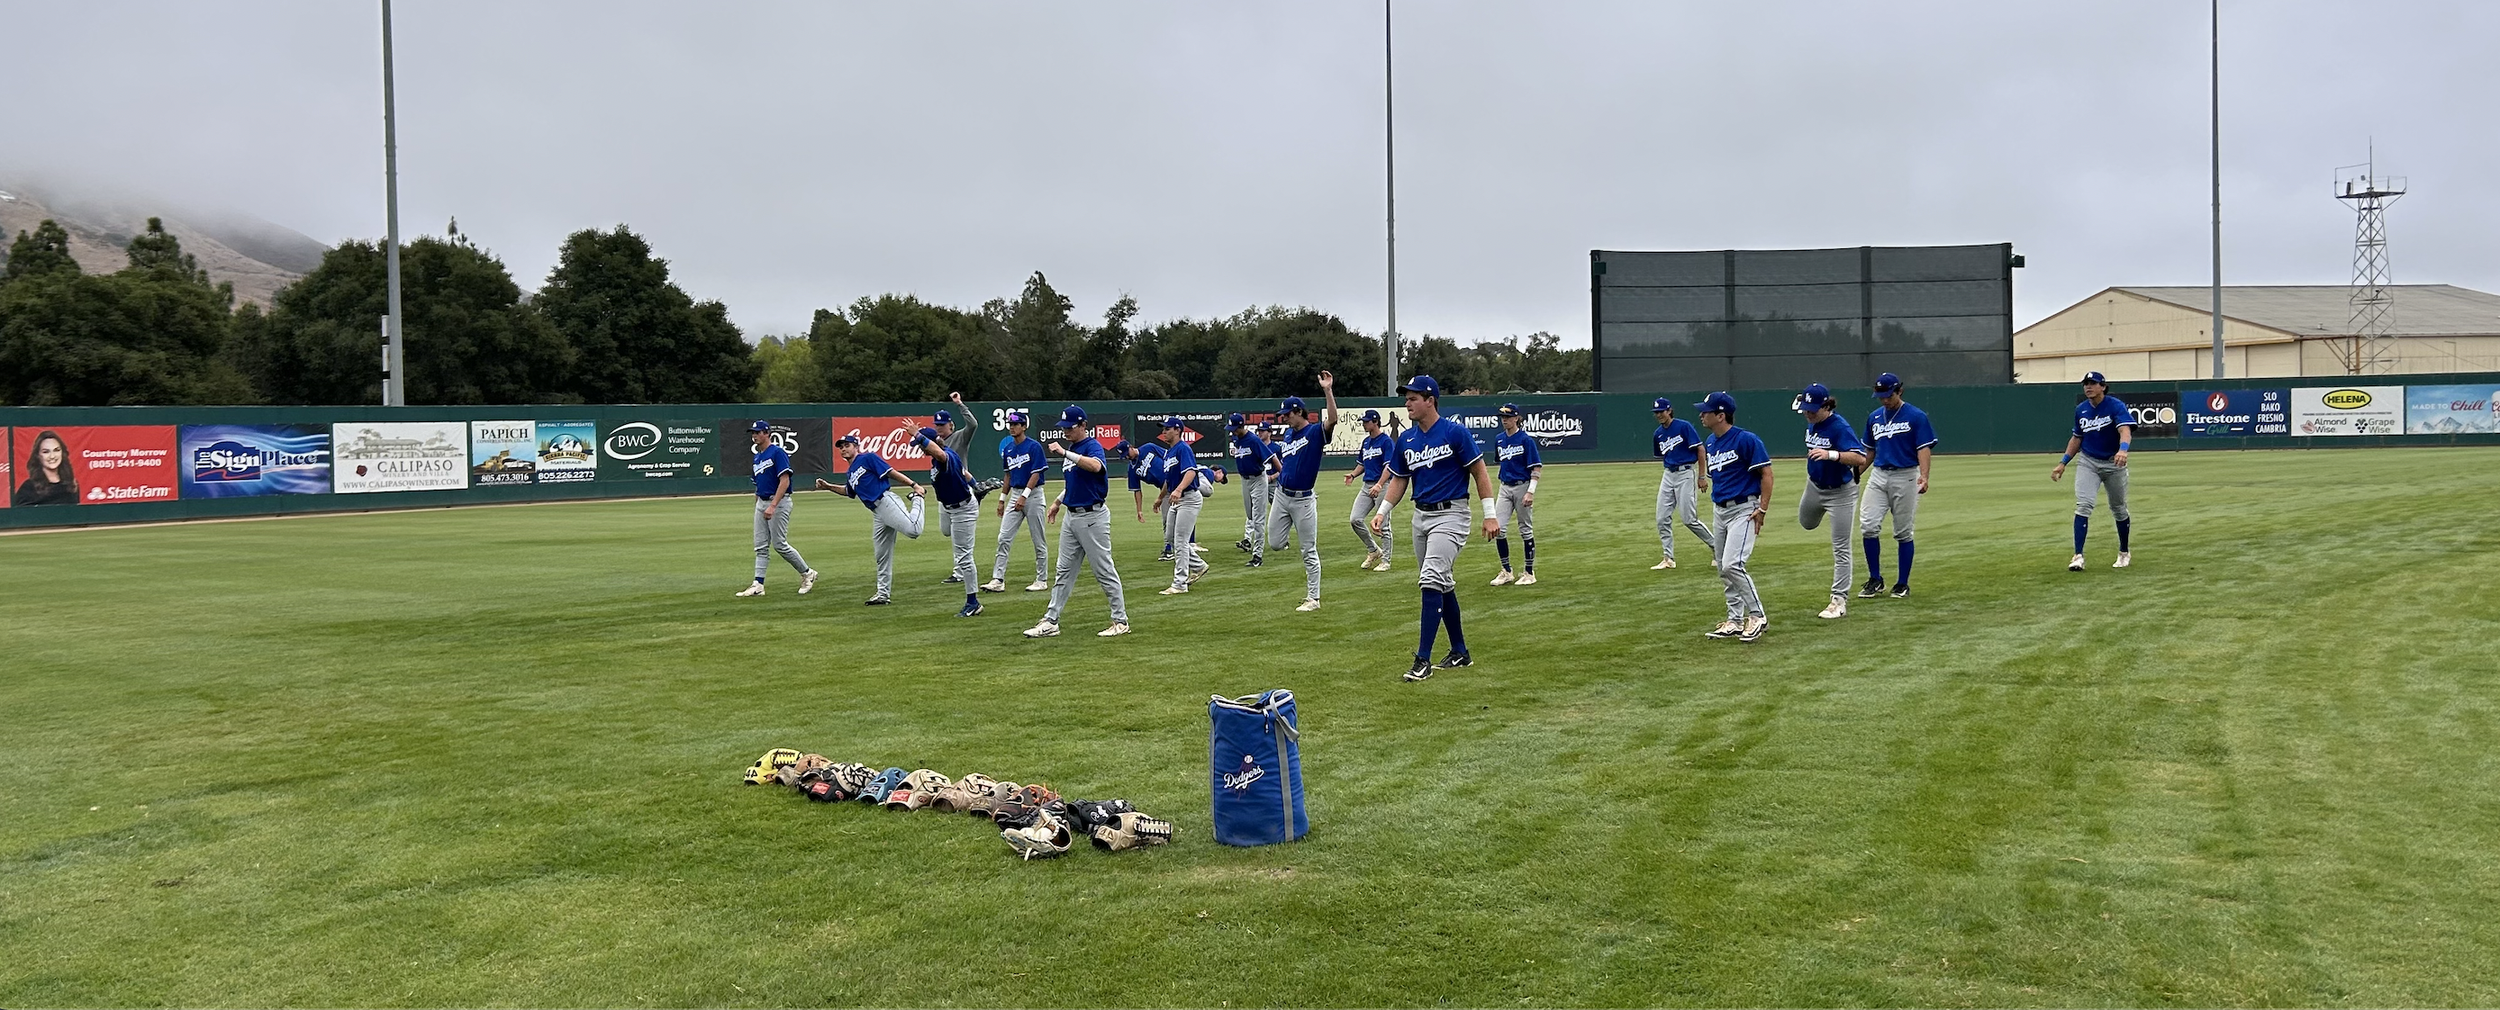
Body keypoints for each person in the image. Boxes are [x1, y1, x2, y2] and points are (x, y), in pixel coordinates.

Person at [1368, 374, 1500, 681]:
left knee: (1430, 579)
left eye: (1413, 398)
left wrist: (1490, 515)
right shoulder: (1407, 440)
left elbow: (1480, 472)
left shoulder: (1454, 432)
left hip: (1452, 514)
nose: (1407, 403)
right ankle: (1460, 652)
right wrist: (1382, 512)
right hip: (1421, 517)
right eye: (1406, 398)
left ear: (1430, 401)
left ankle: (1423, 660)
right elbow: (1400, 479)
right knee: (1442, 583)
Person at [1025, 405, 1131, 638]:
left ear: (1083, 425)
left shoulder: (1091, 446)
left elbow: (1096, 466)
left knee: (1104, 570)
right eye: (1063, 427)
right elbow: (1075, 483)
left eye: (1070, 427)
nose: (1065, 431)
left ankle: (1120, 620)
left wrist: (1065, 453)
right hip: (1072, 516)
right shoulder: (1074, 448)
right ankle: (1051, 621)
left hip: (1092, 517)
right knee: (1063, 571)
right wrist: (1057, 501)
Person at [813, 434, 927, 605]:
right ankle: (883, 594)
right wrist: (828, 486)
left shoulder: (867, 458)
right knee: (882, 555)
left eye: (847, 445)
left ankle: (917, 498)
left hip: (886, 501)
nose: (843, 449)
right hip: (877, 512)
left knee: (914, 530)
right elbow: (848, 492)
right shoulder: (850, 472)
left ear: (856, 446)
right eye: (841, 447)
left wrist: (914, 485)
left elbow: (891, 472)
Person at [1696, 392, 1772, 642]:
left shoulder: (1746, 440)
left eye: (1706, 411)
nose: (1701, 415)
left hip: (1744, 508)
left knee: (1732, 564)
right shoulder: (1711, 442)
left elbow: (1767, 474)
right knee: (1723, 568)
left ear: (1721, 415)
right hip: (1720, 510)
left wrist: (1762, 509)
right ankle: (1735, 620)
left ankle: (1757, 615)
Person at [1792, 383, 1869, 621]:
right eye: (1806, 409)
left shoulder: (1839, 427)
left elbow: (1860, 457)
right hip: (1815, 486)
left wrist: (1831, 455)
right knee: (1806, 523)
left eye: (1812, 409)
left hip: (1841, 493)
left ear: (1826, 406)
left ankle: (1838, 601)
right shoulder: (1813, 421)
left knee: (1841, 547)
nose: (1808, 413)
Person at [1858, 372, 1936, 599]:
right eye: (1881, 396)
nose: (1884, 400)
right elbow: (1869, 451)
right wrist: (1854, 474)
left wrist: (1924, 476)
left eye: (1888, 395)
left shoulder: (1916, 416)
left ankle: (1902, 583)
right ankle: (1875, 579)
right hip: (1879, 474)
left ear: (1899, 391)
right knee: (1868, 526)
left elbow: (1923, 448)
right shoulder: (1874, 417)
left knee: (1903, 532)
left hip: (1906, 475)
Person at [1265, 374, 1339, 612]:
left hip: (1304, 500)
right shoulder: (1288, 434)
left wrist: (1327, 390)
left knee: (1309, 550)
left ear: (1299, 412)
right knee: (1275, 543)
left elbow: (1333, 419)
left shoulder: (1315, 433)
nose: (1284, 418)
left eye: (1287, 414)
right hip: (1281, 495)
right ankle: (1292, 530)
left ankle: (1313, 598)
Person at [2052, 370, 2134, 571]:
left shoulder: (2115, 406)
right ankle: (2078, 556)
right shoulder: (2081, 409)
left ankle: (2124, 552)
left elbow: (2125, 430)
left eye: (2093, 383)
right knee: (2084, 505)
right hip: (2088, 461)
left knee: (2118, 508)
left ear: (2103, 387)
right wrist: (2063, 462)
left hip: (2114, 463)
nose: (2088, 387)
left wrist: (2123, 450)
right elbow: (2077, 437)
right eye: (2085, 383)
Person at [734, 421, 818, 597]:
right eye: (753, 433)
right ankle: (758, 584)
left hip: (779, 502)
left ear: (767, 433)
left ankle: (807, 573)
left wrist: (773, 506)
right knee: (760, 546)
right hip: (762, 502)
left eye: (758, 432)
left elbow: (785, 480)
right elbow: (758, 484)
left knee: (779, 544)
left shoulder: (777, 452)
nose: (754, 436)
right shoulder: (757, 457)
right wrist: (758, 504)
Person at [915, 426, 984, 617]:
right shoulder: (947, 455)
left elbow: (939, 453)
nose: (920, 448)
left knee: (964, 557)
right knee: (956, 546)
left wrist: (918, 435)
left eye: (921, 445)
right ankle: (972, 601)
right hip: (953, 508)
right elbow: (963, 472)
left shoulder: (943, 456)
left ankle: (973, 602)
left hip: (962, 509)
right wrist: (976, 486)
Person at [984, 410, 1051, 594]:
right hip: (1015, 493)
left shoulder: (1034, 447)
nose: (1012, 427)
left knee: (1038, 539)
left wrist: (1025, 496)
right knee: (1003, 537)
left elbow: (1036, 473)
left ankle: (1041, 579)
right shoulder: (1008, 449)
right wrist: (1002, 499)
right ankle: (998, 579)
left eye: (1015, 424)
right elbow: (1008, 475)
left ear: (1024, 426)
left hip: (1034, 495)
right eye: (1010, 424)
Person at [1648, 397, 1714, 571]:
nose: (1659, 415)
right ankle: (1668, 558)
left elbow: (1700, 449)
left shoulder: (1683, 426)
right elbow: (1664, 455)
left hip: (1686, 473)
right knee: (1661, 518)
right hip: (1668, 474)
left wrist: (1701, 476)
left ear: (1669, 410)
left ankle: (1716, 546)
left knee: (1688, 519)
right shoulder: (1658, 434)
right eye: (1656, 412)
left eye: (1661, 411)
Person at [1151, 417, 1212, 595]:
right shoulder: (1169, 452)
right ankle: (1199, 566)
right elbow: (1168, 480)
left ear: (1177, 430)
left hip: (1189, 498)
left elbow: (1191, 472)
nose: (1163, 432)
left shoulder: (1183, 448)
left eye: (1167, 429)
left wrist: (1178, 490)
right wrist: (1160, 497)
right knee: (1170, 538)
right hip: (1176, 499)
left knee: (1180, 541)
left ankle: (1179, 584)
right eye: (1163, 429)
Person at [1487, 403, 1543, 586]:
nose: (1504, 420)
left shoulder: (1525, 440)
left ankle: (1529, 572)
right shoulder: (1499, 439)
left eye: (1508, 417)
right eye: (1502, 417)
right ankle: (1506, 571)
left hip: (1522, 486)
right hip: (1505, 487)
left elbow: (1536, 467)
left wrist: (1530, 492)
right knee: (1499, 529)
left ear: (1517, 418)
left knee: (1525, 529)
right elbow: (1501, 461)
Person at [1342, 409, 1397, 571]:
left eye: (1366, 422)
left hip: (1383, 485)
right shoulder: (1366, 442)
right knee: (1355, 519)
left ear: (1376, 422)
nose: (1364, 424)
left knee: (1383, 525)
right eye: (1363, 422)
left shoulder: (1386, 441)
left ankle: (1386, 561)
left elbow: (1389, 466)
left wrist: (1379, 484)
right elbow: (1362, 463)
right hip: (1367, 486)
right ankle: (1374, 550)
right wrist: (1353, 475)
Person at [1227, 413, 1268, 557]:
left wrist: (1282, 475)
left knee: (1258, 519)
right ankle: (1251, 543)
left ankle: (1257, 554)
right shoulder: (1237, 439)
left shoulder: (1254, 440)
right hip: (1245, 480)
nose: (1232, 432)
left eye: (1234, 429)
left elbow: (1271, 457)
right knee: (1250, 515)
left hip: (1258, 479)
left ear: (1240, 427)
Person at [12, 429, 78, 507]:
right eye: (46, 452)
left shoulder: (72, 484)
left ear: (62, 453)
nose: (52, 456)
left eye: (56, 450)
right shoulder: (28, 488)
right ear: (38, 456)